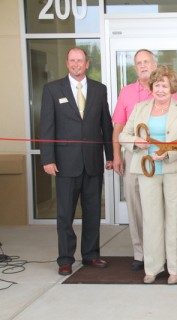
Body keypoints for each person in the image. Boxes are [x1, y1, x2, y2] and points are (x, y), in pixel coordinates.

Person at [39, 47, 113, 276]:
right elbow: (46, 126)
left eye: (80, 60)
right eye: (72, 60)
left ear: (87, 63)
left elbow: (106, 125)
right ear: (67, 63)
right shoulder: (52, 89)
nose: (76, 64)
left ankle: (91, 255)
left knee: (92, 212)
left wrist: (110, 156)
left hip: (92, 163)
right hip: (64, 163)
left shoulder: (100, 90)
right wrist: (47, 158)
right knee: (65, 214)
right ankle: (65, 258)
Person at [119, 65, 177, 285]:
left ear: (173, 88)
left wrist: (168, 153)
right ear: (152, 86)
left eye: (165, 85)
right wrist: (135, 141)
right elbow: (124, 134)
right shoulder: (140, 108)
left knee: (176, 220)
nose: (161, 89)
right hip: (146, 170)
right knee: (151, 220)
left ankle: (175, 268)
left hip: (174, 170)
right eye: (157, 85)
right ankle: (152, 267)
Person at [112, 49, 157, 271]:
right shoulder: (127, 92)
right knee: (135, 206)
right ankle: (140, 253)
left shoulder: (166, 90)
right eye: (138, 63)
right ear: (135, 68)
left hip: (160, 157)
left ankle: (159, 251)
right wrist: (117, 155)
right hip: (133, 156)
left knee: (158, 206)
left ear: (154, 64)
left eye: (146, 61)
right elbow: (118, 128)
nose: (143, 66)